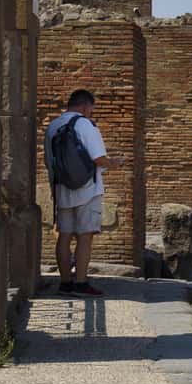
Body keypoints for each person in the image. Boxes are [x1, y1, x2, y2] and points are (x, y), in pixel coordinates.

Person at [45, 89, 124, 298]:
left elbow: (49, 162)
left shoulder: (53, 126)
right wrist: (113, 163)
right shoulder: (84, 124)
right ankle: (80, 283)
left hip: (61, 188)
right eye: (91, 109)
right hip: (87, 189)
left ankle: (65, 283)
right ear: (85, 106)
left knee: (64, 235)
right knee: (85, 236)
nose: (91, 113)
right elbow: (98, 158)